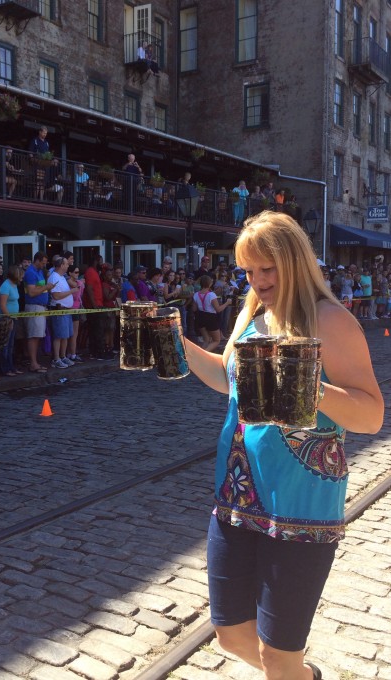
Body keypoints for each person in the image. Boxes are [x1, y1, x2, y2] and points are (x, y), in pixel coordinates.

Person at [184, 211, 383, 680]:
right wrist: (179, 344)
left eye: (266, 269)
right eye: (248, 271)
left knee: (278, 657)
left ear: (294, 261)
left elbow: (371, 414)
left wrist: (303, 385)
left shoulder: (330, 320)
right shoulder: (252, 312)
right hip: (236, 496)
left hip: (302, 505)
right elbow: (227, 378)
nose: (256, 280)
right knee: (230, 632)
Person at [23, 251, 56, 372]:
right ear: (37, 260)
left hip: (41, 306)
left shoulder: (40, 271)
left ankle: (35, 361)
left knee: (38, 335)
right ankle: (33, 363)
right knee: (33, 335)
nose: (44, 265)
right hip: (34, 306)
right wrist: (46, 287)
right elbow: (31, 292)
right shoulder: (31, 272)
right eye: (43, 262)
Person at [48, 256, 75, 369]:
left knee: (66, 335)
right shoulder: (54, 277)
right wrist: (71, 291)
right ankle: (56, 358)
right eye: (66, 264)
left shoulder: (62, 277)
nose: (68, 265)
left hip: (66, 309)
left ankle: (63, 356)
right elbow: (56, 295)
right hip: (58, 309)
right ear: (61, 265)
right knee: (59, 335)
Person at [192, 274, 230, 351]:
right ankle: (204, 354)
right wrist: (227, 303)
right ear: (209, 284)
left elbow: (194, 309)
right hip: (210, 317)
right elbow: (218, 309)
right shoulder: (211, 295)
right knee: (216, 340)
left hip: (200, 317)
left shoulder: (196, 295)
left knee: (206, 339)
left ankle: (200, 354)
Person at [0, 264, 22, 376]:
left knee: (11, 344)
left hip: (14, 317)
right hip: (6, 319)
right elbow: (3, 305)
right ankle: (5, 369)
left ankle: (11, 366)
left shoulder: (14, 285)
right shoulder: (5, 286)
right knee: (5, 345)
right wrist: (9, 319)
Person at [66, 263, 85, 363]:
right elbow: (77, 292)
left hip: (76, 308)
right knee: (73, 333)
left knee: (74, 333)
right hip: (71, 308)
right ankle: (72, 354)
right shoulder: (69, 282)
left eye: (78, 272)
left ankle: (71, 352)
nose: (78, 274)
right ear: (70, 273)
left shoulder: (78, 282)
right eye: (76, 272)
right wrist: (80, 284)